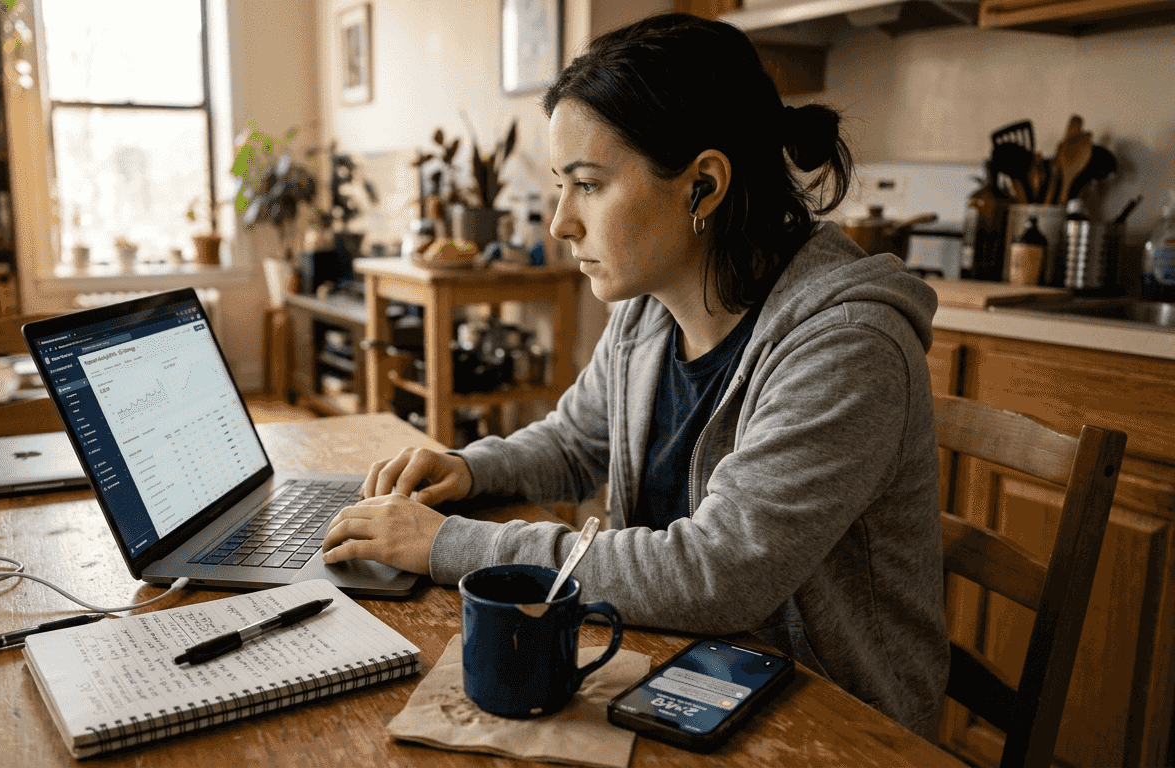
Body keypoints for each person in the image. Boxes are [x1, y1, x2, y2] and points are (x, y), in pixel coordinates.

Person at [321, 12, 948, 738]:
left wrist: (448, 546)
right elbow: (574, 442)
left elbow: (719, 572)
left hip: (832, 724)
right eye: (561, 184)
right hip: (677, 668)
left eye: (586, 184)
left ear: (702, 187)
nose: (559, 222)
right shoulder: (654, 306)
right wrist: (468, 470)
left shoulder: (846, 345)